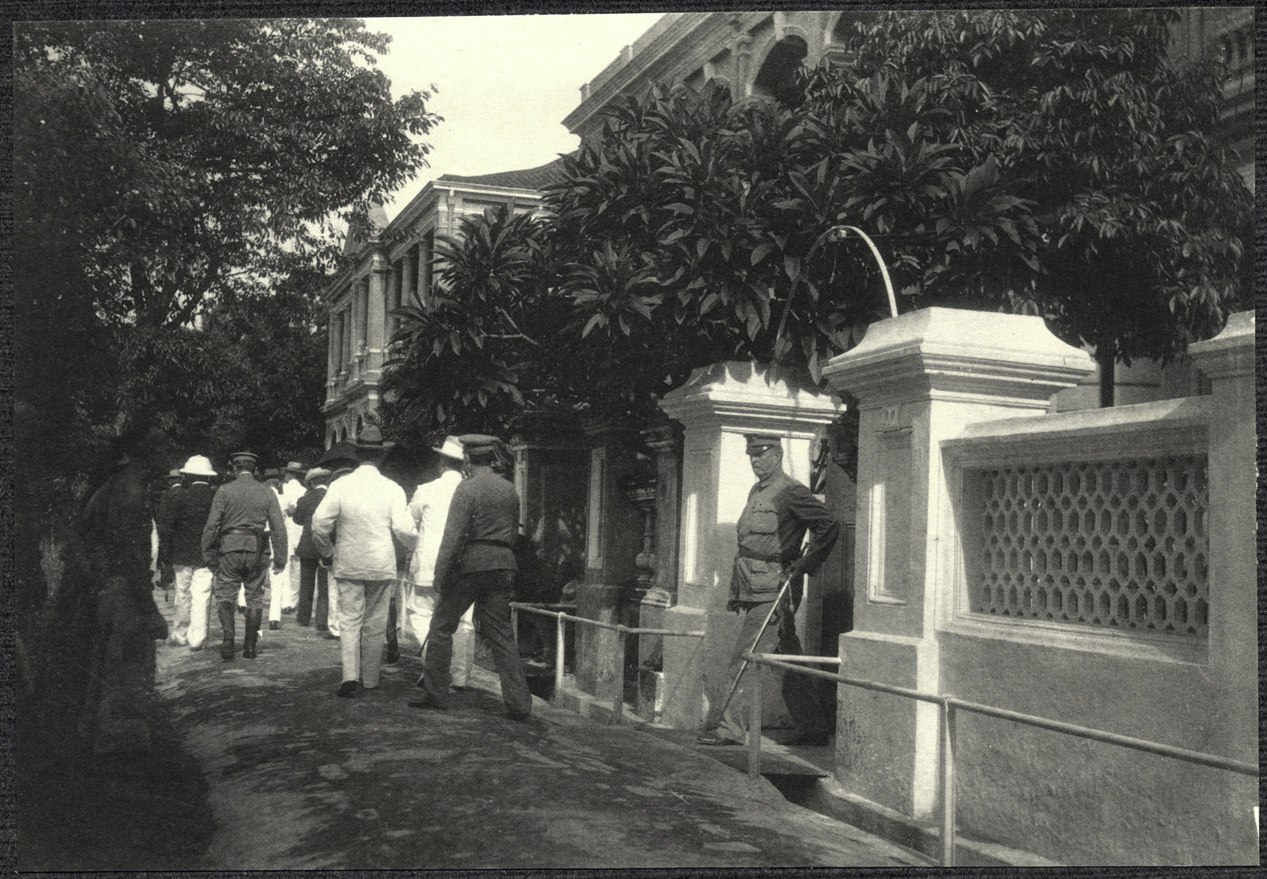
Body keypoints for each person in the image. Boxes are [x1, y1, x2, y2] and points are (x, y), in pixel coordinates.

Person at [696, 433, 839, 748]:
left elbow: (828, 524)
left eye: (761, 455)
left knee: (746, 656)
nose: (755, 461)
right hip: (755, 585)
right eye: (751, 456)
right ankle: (813, 725)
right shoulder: (758, 491)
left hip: (775, 588)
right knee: (785, 655)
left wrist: (805, 563)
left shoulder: (791, 492)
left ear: (777, 454)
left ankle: (730, 729)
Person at [410, 434, 532, 721]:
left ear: (467, 459)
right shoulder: (509, 490)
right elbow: (514, 534)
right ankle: (519, 704)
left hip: (470, 566)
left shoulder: (466, 490)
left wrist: (440, 573)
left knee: (441, 628)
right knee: (502, 634)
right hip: (503, 565)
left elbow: (452, 537)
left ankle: (436, 693)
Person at [310, 426, 416, 698]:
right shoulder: (392, 488)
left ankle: (349, 678)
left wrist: (328, 551)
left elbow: (320, 523)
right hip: (381, 563)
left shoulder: (340, 485)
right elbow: (404, 529)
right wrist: (414, 548)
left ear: (357, 454)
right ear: (380, 455)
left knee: (349, 620)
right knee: (375, 623)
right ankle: (370, 678)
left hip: (348, 561)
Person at [201, 451, 288, 661]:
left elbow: (212, 525)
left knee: (226, 595)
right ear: (255, 469)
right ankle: (250, 645)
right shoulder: (267, 492)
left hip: (229, 549)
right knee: (255, 598)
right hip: (257, 550)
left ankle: (228, 640)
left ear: (234, 468)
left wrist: (208, 553)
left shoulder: (224, 491)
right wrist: (281, 558)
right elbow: (278, 527)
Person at [404, 435, 475, 690]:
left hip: (428, 566)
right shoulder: (472, 490)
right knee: (463, 622)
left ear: (442, 462)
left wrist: (414, 546)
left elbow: (406, 525)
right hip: (463, 565)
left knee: (420, 615)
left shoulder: (426, 490)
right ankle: (459, 678)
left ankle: (434, 667)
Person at [155, 455, 219, 649]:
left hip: (181, 554)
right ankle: (197, 637)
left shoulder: (177, 497)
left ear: (187, 476)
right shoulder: (215, 497)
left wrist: (164, 557)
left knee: (182, 594)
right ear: (208, 477)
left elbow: (167, 529)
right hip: (206, 554)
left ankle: (181, 633)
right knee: (202, 594)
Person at [291, 466, 330, 629]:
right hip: (326, 545)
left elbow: (297, 520)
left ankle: (303, 617)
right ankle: (322, 620)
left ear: (312, 482)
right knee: (324, 585)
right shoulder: (331, 497)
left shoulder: (305, 499)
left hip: (307, 545)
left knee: (306, 583)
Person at [281, 461, 307, 614]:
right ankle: (293, 600)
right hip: (299, 531)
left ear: (288, 474)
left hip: (284, 531)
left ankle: (284, 602)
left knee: (284, 565)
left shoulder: (282, 490)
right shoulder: (304, 491)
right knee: (297, 568)